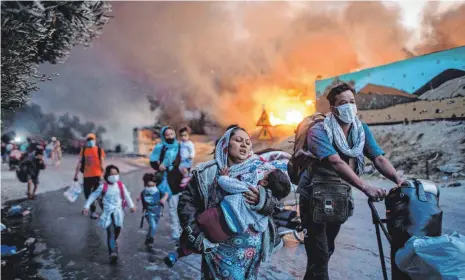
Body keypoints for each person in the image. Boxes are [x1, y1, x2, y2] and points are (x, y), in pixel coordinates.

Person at [297, 83, 404, 280]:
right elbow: (335, 162)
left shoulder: (360, 130)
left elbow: (378, 158)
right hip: (313, 198)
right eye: (343, 103)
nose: (349, 106)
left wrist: (399, 180)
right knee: (319, 254)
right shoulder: (318, 131)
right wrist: (366, 187)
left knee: (325, 250)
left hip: (338, 197)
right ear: (333, 108)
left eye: (352, 102)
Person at [178, 125, 284, 280]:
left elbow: (277, 203)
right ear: (226, 143)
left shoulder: (261, 170)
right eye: (238, 140)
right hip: (219, 249)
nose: (244, 145)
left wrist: (263, 201)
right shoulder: (207, 173)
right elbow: (186, 204)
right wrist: (198, 236)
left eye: (248, 142)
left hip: (251, 253)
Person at [165, 167, 291, 267]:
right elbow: (260, 227)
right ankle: (183, 252)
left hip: (214, 217)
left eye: (266, 172)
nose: (263, 171)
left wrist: (224, 176)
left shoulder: (249, 188)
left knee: (196, 235)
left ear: (263, 182)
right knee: (207, 244)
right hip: (225, 233)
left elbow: (225, 183)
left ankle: (177, 253)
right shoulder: (264, 210)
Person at [82, 165, 136, 264]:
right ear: (107, 175)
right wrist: (86, 206)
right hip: (108, 213)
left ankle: (113, 242)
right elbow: (93, 195)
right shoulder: (103, 187)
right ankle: (112, 253)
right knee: (110, 232)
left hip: (119, 213)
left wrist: (131, 206)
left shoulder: (120, 185)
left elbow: (127, 196)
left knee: (117, 230)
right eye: (112, 174)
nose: (114, 176)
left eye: (116, 174)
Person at [149, 126, 183, 241]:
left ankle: (176, 233)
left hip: (175, 180)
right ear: (164, 136)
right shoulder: (160, 146)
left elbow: (183, 161)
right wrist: (159, 166)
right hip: (162, 180)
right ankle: (151, 234)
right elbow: (152, 161)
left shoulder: (180, 145)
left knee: (175, 208)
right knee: (155, 208)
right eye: (167, 135)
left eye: (172, 134)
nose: (170, 137)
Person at [74, 133, 106, 219]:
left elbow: (102, 164)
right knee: (87, 194)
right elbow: (79, 163)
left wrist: (105, 176)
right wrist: (76, 175)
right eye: (88, 140)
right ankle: (92, 208)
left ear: (95, 140)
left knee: (97, 195)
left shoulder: (99, 150)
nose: (90, 141)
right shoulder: (84, 150)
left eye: (91, 139)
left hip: (97, 176)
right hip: (86, 176)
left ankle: (96, 211)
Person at [139, 172, 169, 247]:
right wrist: (143, 211)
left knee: (153, 226)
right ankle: (150, 240)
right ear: (146, 182)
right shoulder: (144, 192)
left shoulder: (158, 189)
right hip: (148, 211)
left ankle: (148, 237)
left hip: (157, 211)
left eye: (154, 181)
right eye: (151, 181)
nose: (153, 183)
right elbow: (143, 202)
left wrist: (164, 199)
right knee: (153, 226)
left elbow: (166, 194)